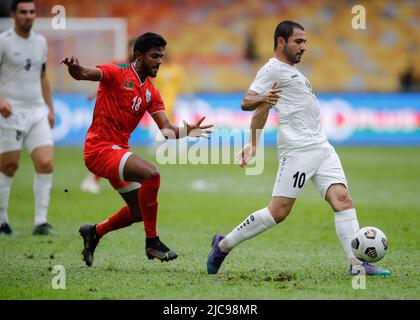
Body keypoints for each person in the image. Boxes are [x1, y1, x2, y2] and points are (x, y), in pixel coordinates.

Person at [206, 20, 391, 276]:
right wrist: (253, 137)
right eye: (298, 41)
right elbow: (248, 102)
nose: (304, 47)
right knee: (279, 211)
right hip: (298, 152)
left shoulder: (292, 73)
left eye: (305, 41)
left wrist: (253, 139)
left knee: (342, 200)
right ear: (281, 42)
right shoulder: (272, 69)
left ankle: (357, 265)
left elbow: (263, 109)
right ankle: (223, 245)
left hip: (322, 148)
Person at [61, 32, 212, 266]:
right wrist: (74, 68)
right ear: (139, 56)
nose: (159, 61)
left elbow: (166, 131)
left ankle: (94, 232)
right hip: (99, 150)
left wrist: (187, 130)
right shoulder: (116, 73)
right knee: (151, 174)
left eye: (161, 56)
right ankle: (152, 242)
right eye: (154, 56)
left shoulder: (151, 92)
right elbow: (82, 73)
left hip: (117, 152)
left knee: (139, 212)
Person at [0, 0, 54, 236]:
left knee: (45, 163)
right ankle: (2, 220)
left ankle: (41, 222)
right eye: (23, 12)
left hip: (37, 110)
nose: (28, 16)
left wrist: (50, 107)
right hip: (11, 111)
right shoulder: (3, 41)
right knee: (9, 166)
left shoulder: (41, 41)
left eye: (32, 12)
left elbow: (42, 76)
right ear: (13, 14)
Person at [80, 38, 136, 194]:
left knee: (114, 151)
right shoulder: (117, 65)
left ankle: (95, 180)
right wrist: (93, 95)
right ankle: (95, 180)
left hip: (124, 117)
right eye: (132, 48)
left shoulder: (140, 71)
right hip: (108, 113)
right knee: (109, 150)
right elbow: (105, 82)